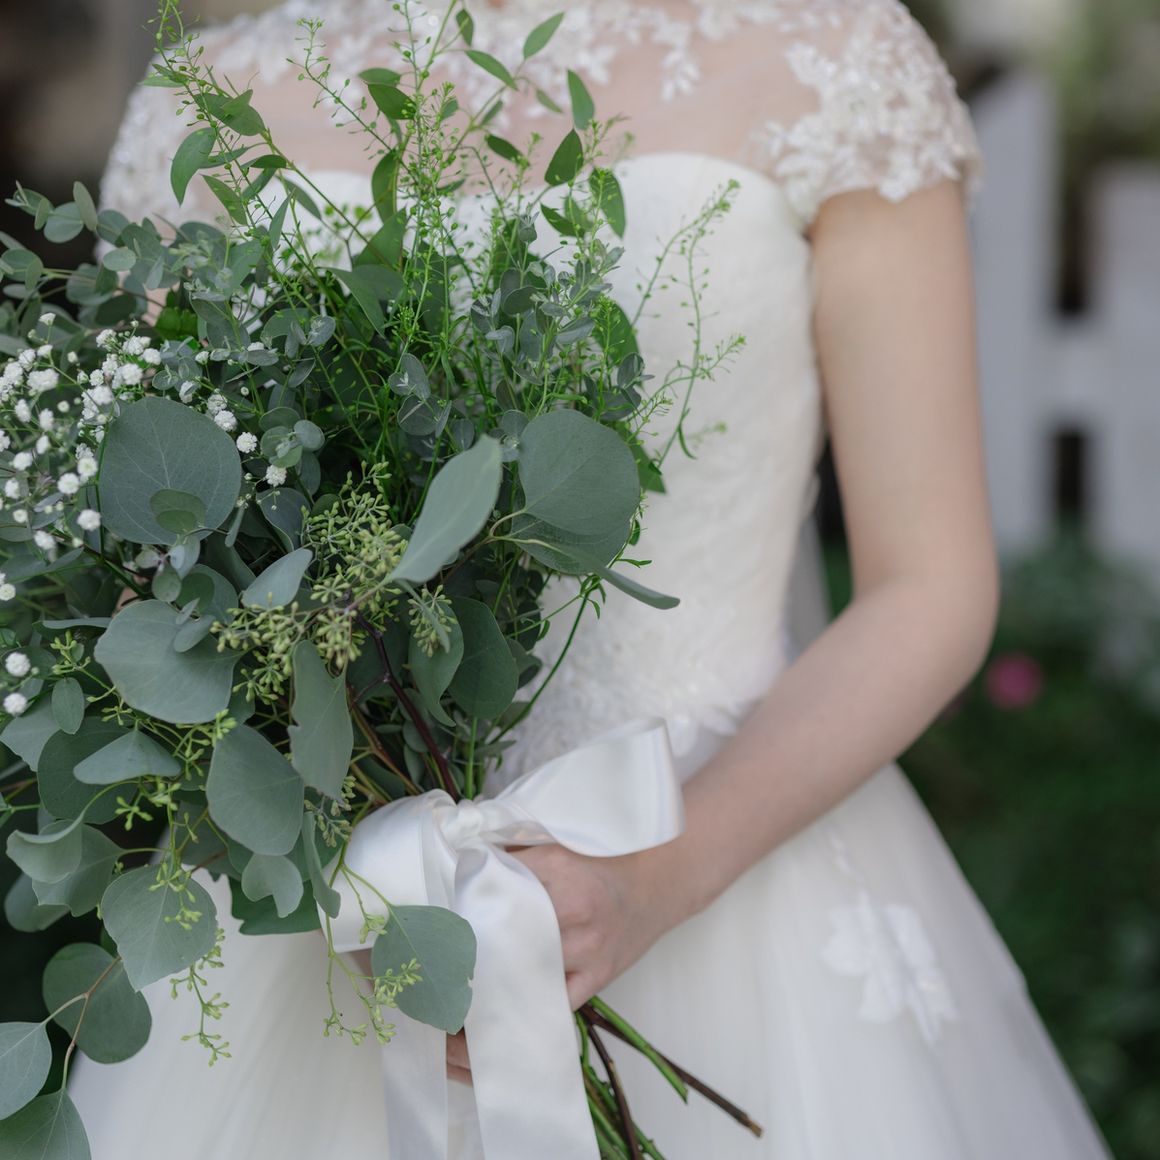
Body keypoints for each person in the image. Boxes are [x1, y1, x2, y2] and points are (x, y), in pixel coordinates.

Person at [72, 1, 1113, 1156]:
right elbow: (159, 570)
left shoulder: (832, 62)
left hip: (728, 851)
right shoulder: (210, 97)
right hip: (336, 905)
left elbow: (926, 585)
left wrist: (654, 876)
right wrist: (327, 815)